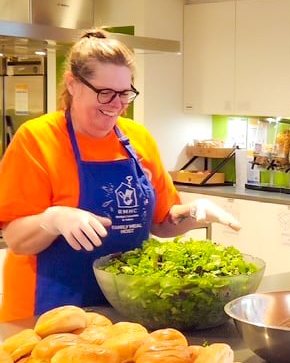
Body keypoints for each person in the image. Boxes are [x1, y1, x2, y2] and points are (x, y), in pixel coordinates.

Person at [0, 29, 241, 322]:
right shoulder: (37, 139)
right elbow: (16, 239)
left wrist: (193, 214)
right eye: (105, 92)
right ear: (73, 84)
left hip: (126, 306)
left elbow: (163, 224)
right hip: (47, 309)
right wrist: (51, 220)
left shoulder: (137, 138)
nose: (117, 104)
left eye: (125, 93)